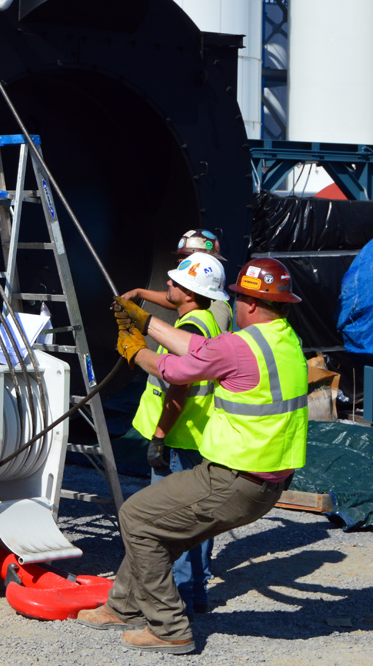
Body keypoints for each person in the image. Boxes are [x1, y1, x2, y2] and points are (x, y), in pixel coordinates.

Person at [78, 258, 308, 654]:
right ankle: (124, 606)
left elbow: (176, 370)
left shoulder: (242, 346)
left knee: (136, 517)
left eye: (238, 299)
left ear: (252, 304)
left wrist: (136, 352)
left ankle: (169, 628)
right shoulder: (284, 340)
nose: (233, 304)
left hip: (235, 478)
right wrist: (146, 322)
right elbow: (199, 346)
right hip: (263, 480)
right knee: (160, 530)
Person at [128, 251, 228, 616]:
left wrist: (158, 437)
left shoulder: (190, 329)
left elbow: (178, 388)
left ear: (188, 292)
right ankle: (194, 593)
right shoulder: (206, 320)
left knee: (168, 521)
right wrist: (140, 295)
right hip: (195, 435)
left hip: (177, 437)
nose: (167, 283)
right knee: (194, 518)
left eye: (174, 281)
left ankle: (177, 599)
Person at [120, 230, 233, 333]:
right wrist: (139, 293)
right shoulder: (204, 300)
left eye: (184, 263)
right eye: (178, 264)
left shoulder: (217, 308)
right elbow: (178, 298)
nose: (179, 269)